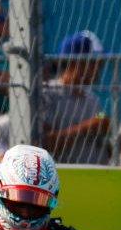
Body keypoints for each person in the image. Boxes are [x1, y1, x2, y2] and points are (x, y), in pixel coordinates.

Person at [41, 30, 110, 164]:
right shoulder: (48, 93)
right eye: (95, 63)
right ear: (75, 63)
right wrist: (88, 126)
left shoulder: (91, 97)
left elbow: (98, 118)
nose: (99, 68)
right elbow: (44, 144)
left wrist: (103, 121)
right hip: (66, 177)